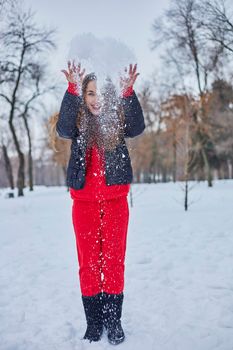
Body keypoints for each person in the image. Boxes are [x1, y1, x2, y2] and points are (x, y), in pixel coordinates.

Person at [53, 60, 145, 345]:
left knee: (114, 262)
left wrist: (128, 93)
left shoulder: (116, 120)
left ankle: (113, 320)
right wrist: (71, 89)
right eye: (89, 93)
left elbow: (137, 127)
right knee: (89, 264)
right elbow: (63, 128)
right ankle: (94, 322)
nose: (96, 99)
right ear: (84, 96)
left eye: (100, 93)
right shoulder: (78, 122)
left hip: (116, 201)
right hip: (84, 204)